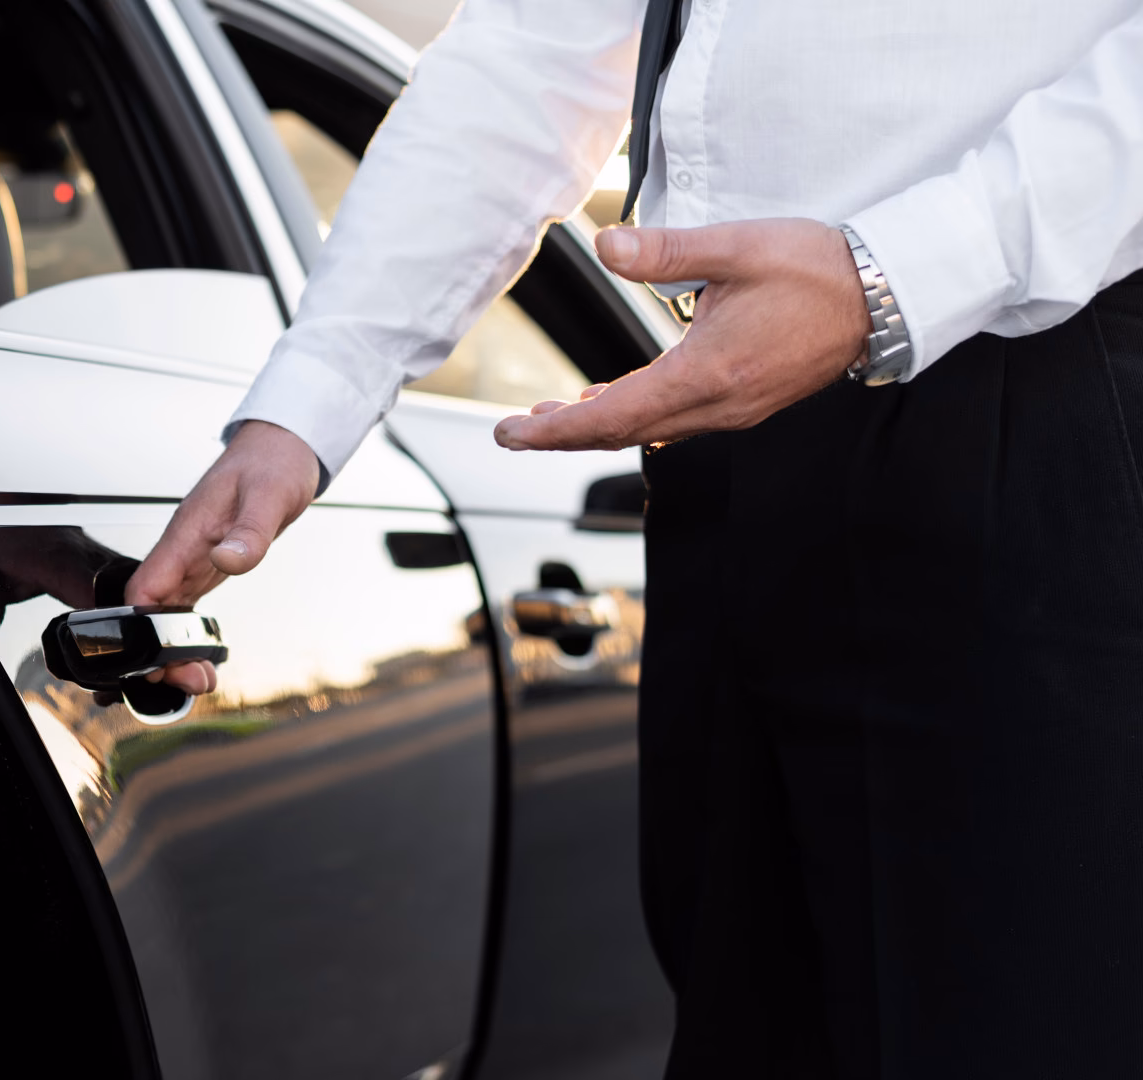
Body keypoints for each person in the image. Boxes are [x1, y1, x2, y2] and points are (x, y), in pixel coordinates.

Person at [125, 0, 1143, 1075]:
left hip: (1034, 406)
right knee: (745, 1027)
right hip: (732, 439)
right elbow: (532, 57)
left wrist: (891, 272)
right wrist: (309, 401)